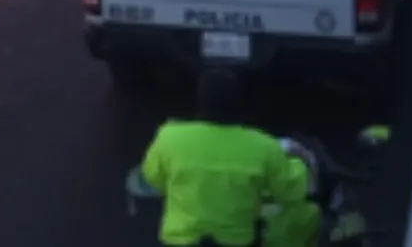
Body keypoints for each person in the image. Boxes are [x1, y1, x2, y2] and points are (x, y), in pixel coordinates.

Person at [137, 69, 320, 247]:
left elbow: (153, 179)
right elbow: (291, 191)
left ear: (200, 101)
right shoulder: (263, 147)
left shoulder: (169, 136)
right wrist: (301, 161)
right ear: (239, 104)